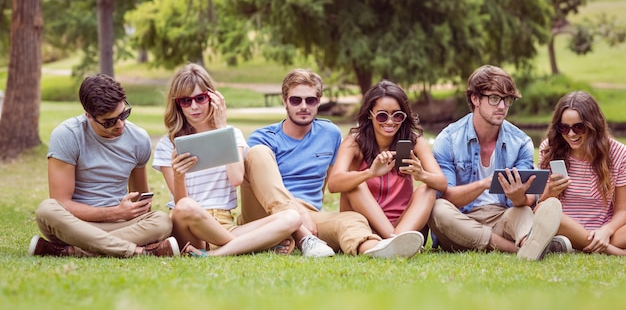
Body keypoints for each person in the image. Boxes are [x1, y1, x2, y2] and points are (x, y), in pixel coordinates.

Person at [238, 69, 424, 258]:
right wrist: (298, 213)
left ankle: (380, 250)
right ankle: (303, 238)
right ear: (284, 100)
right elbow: (261, 184)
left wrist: (306, 213)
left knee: (352, 219)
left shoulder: (330, 133)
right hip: (263, 212)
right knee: (258, 153)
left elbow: (331, 180)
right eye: (296, 100)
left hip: (310, 216)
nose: (304, 106)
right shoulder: (263, 137)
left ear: (318, 101)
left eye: (310, 100)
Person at [152, 63, 302, 256]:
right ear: (177, 104)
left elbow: (236, 178)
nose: (194, 106)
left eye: (200, 98)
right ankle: (249, 244)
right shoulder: (169, 143)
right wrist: (179, 176)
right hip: (190, 226)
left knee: (292, 217)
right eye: (185, 101)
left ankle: (216, 253)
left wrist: (223, 128)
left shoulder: (232, 135)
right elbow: (181, 204)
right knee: (187, 206)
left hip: (224, 224)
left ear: (213, 98)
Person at [29, 74, 178, 257]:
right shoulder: (67, 135)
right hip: (76, 224)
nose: (120, 125)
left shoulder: (138, 139)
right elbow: (62, 203)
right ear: (88, 116)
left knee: (162, 221)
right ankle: (138, 251)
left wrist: (134, 209)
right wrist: (114, 213)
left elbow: (140, 199)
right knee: (47, 210)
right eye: (109, 122)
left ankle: (74, 251)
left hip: (118, 224)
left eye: (124, 114)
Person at [427, 65, 566, 260]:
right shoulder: (449, 139)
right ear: (475, 98)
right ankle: (522, 249)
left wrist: (518, 196)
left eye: (506, 100)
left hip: (501, 217)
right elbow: (446, 197)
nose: (501, 106)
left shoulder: (520, 142)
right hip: (461, 222)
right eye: (494, 98)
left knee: (523, 211)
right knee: (437, 209)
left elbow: (524, 202)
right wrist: (485, 184)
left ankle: (528, 241)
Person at [328, 80, 447, 247]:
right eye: (382, 115)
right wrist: (370, 173)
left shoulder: (414, 141)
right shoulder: (354, 142)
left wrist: (422, 174)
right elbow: (333, 184)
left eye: (397, 115)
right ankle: (394, 241)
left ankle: (394, 240)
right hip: (365, 225)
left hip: (403, 225)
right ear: (370, 114)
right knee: (356, 184)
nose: (390, 122)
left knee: (427, 188)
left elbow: (442, 183)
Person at [538, 91, 626, 255]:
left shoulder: (619, 153)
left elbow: (623, 210)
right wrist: (550, 193)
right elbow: (541, 205)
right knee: (545, 209)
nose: (571, 134)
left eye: (578, 127)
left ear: (594, 125)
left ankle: (579, 244)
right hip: (564, 227)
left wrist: (606, 230)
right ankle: (612, 251)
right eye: (564, 128)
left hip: (604, 232)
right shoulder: (549, 149)